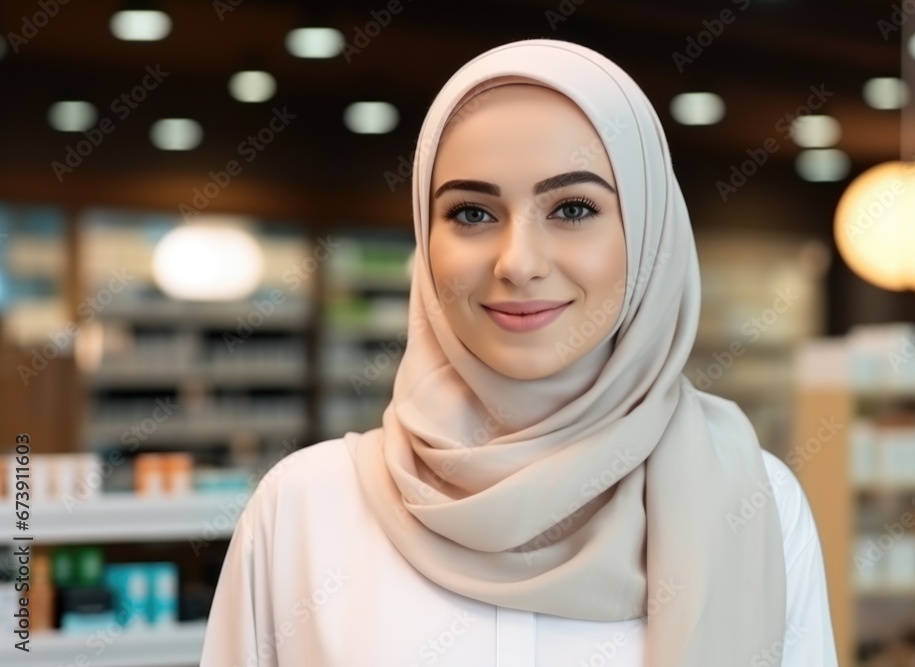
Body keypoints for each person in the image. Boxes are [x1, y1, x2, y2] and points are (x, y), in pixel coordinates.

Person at [200, 38, 838, 666]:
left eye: (573, 207)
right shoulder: (303, 510)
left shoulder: (755, 504)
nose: (519, 263)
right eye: (472, 214)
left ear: (648, 236)